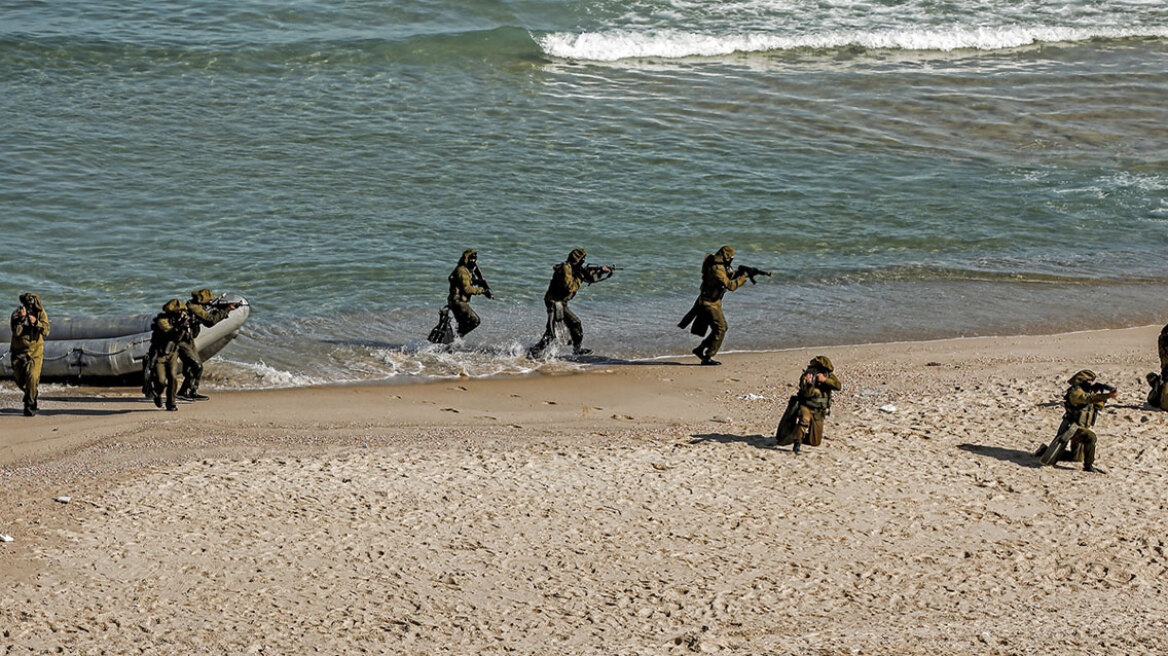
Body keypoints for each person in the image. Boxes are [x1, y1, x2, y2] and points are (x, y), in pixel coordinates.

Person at [529, 248, 609, 358]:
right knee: (554, 332)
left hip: (561, 303)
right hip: (555, 302)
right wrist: (581, 277)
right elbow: (570, 287)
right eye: (582, 260)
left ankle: (576, 350)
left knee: (571, 325)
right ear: (577, 260)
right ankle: (533, 352)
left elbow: (586, 278)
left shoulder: (573, 268)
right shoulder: (566, 269)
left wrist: (600, 272)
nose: (583, 262)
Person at [679, 246, 749, 366]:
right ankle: (708, 357)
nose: (732, 259)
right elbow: (730, 286)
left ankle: (700, 349)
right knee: (721, 329)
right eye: (731, 257)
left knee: (722, 327)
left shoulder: (718, 265)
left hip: (713, 302)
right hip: (709, 303)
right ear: (726, 256)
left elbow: (725, 278)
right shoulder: (717, 268)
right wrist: (743, 278)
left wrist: (738, 273)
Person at [1036, 370, 1116, 473]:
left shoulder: (1089, 393)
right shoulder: (1074, 392)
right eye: (1088, 381)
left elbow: (1098, 406)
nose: (1090, 383)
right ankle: (1088, 466)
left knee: (1077, 458)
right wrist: (1107, 395)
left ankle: (1044, 450)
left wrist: (1099, 394)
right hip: (1071, 428)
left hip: (1082, 427)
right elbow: (1086, 399)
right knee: (1091, 438)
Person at [176, 289, 236, 401]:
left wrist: (219, 310)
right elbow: (210, 321)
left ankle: (186, 392)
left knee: (192, 367)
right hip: (181, 340)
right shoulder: (194, 308)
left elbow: (207, 321)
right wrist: (226, 310)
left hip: (187, 339)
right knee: (196, 366)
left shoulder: (197, 306)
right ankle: (187, 392)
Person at [775, 355, 841, 454]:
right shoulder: (807, 376)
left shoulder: (828, 375)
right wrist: (809, 384)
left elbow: (838, 386)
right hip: (807, 406)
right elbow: (806, 392)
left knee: (815, 442)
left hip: (819, 410)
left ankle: (795, 434)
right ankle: (797, 442)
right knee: (804, 420)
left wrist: (824, 380)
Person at [9, 293, 50, 417]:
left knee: (32, 377)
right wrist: (22, 319)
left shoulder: (40, 313)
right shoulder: (16, 314)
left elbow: (46, 331)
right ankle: (32, 393)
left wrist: (36, 322)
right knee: (20, 380)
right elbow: (16, 332)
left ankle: (30, 404)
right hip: (18, 352)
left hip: (35, 352)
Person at [145, 299, 187, 411]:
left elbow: (180, 337)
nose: (180, 313)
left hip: (172, 353)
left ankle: (171, 403)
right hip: (160, 354)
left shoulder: (181, 320)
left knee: (173, 377)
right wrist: (180, 327)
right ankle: (157, 394)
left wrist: (185, 328)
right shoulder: (162, 320)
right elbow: (168, 332)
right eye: (178, 311)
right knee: (161, 381)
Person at [447, 249, 492, 338]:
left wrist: (480, 282)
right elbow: (467, 289)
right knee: (475, 321)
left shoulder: (466, 270)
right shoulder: (462, 271)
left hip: (455, 301)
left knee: (462, 325)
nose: (473, 261)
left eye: (475, 259)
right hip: (458, 302)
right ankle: (456, 340)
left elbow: (468, 281)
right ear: (466, 259)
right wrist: (482, 291)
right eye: (471, 259)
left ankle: (453, 344)